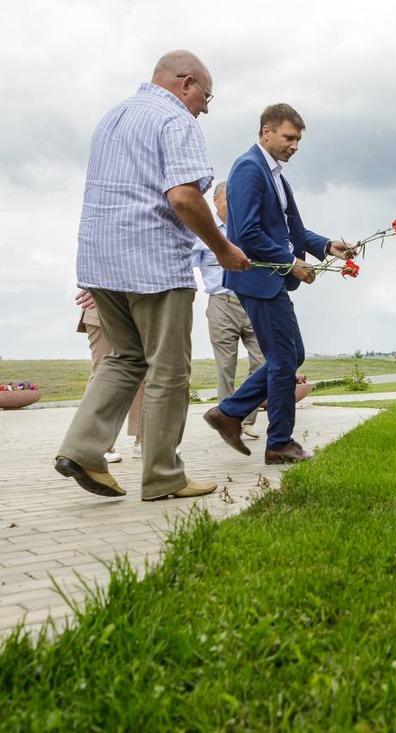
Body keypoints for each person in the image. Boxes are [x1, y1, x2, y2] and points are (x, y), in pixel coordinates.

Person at [55, 50, 250, 501]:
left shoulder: (113, 117)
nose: (206, 106)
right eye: (207, 95)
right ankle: (163, 476)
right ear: (186, 83)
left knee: (124, 357)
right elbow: (183, 196)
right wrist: (222, 249)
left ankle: (82, 449)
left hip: (100, 263)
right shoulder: (176, 120)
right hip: (153, 261)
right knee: (168, 369)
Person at [203, 103, 351, 464]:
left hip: (269, 278)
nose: (295, 145)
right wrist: (291, 264)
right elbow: (247, 233)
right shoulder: (249, 169)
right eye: (289, 137)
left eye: (298, 139)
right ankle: (278, 442)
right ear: (266, 131)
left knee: (291, 355)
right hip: (257, 279)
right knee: (285, 358)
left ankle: (229, 412)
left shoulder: (275, 175)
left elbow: (288, 231)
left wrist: (324, 245)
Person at [192, 180, 265, 439]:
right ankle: (227, 420)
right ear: (216, 201)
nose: (234, 204)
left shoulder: (246, 226)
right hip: (221, 303)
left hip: (252, 302)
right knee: (226, 365)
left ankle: (247, 419)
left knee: (262, 360)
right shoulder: (205, 231)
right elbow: (187, 264)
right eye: (228, 199)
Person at [75, 289, 144, 462]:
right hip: (100, 304)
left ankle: (143, 439)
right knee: (102, 372)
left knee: (145, 372)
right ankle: (94, 445)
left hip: (138, 304)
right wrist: (93, 287)